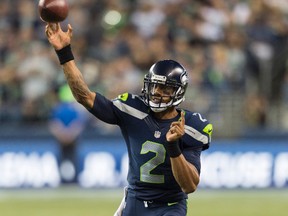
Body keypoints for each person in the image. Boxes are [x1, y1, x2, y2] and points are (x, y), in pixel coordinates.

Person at [45, 23, 213, 216]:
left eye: (165, 89)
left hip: (170, 206)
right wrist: (64, 53)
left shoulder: (191, 126)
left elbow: (189, 186)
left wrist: (174, 146)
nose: (157, 93)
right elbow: (85, 96)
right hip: (135, 201)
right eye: (155, 87)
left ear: (178, 93)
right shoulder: (132, 109)